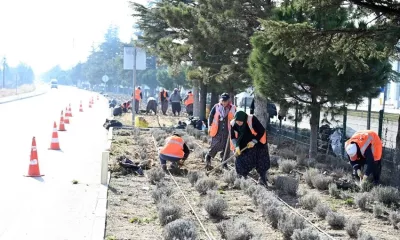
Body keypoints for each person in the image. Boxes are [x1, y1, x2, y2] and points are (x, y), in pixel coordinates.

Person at [230, 111, 270, 187]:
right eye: (237, 121)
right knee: (240, 159)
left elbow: (261, 131)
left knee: (261, 160)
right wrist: (236, 146)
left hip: (258, 142)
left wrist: (254, 141)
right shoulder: (233, 124)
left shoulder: (252, 119)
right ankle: (242, 177)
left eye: (240, 122)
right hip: (243, 143)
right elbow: (232, 137)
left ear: (244, 120)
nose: (238, 123)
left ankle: (262, 179)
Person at [205, 93, 236, 170]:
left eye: (225, 101)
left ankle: (224, 163)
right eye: (223, 100)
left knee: (227, 148)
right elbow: (210, 116)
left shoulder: (233, 108)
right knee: (215, 145)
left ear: (228, 100)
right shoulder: (216, 107)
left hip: (227, 131)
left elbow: (236, 118)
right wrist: (209, 126)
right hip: (217, 131)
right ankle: (208, 157)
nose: (224, 102)